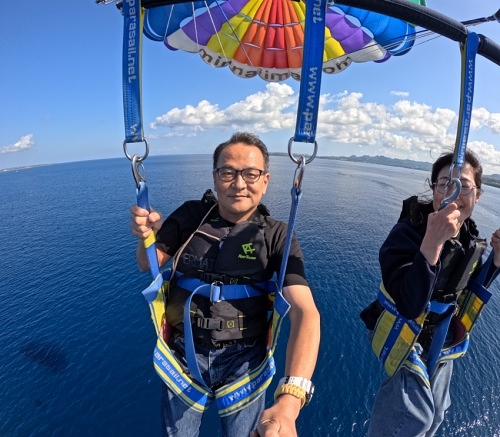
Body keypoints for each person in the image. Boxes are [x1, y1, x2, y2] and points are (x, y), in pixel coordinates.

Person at [131, 132, 320, 436]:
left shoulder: (278, 236)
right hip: (183, 354)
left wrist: (290, 400)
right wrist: (147, 236)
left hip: (245, 361)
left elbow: (305, 311)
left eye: (251, 173)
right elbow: (147, 262)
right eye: (228, 172)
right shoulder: (192, 216)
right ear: (215, 177)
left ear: (266, 181)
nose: (239, 183)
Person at [361, 150, 500, 436]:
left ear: (478, 195)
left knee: (437, 412)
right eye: (444, 184)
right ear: (433, 189)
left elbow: (467, 287)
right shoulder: (407, 233)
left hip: (441, 336)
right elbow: (409, 304)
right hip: (405, 332)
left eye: (463, 186)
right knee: (413, 417)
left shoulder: (470, 239)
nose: (453, 194)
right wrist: (432, 242)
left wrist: (496, 260)